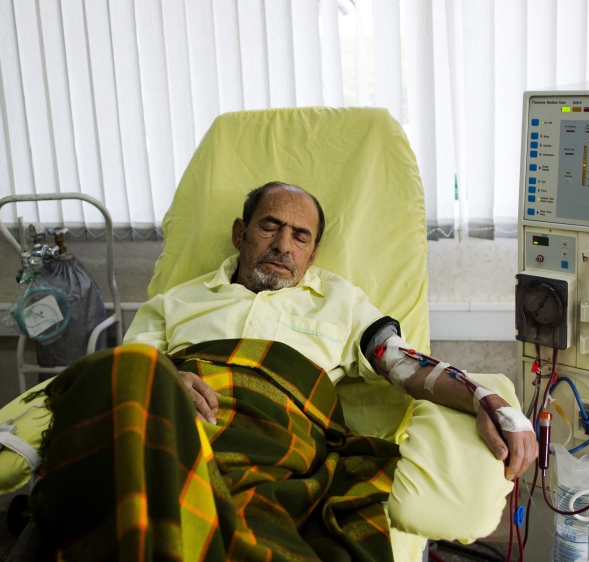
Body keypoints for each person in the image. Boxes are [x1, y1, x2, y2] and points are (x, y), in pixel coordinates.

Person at [125, 181, 537, 481]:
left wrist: (484, 400)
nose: (284, 246)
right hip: (175, 429)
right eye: (270, 227)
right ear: (240, 233)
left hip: (279, 448)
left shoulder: (342, 302)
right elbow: (125, 370)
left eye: (300, 237)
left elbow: (404, 364)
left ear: (313, 253)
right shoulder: (175, 301)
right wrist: (164, 380)